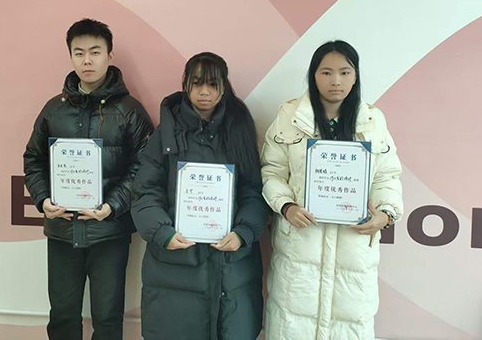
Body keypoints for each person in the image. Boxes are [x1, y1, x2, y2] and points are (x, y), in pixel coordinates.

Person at [261, 40, 403, 340]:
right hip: (300, 246)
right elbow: (272, 171)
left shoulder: (372, 121)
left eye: (344, 72)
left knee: (347, 326)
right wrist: (286, 206)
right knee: (292, 325)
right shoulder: (290, 116)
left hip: (353, 251)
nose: (335, 80)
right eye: (326, 72)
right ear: (313, 75)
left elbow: (387, 176)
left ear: (355, 76)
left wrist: (386, 214)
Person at [23, 18, 153, 340]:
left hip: (109, 232)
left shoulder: (130, 111)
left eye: (95, 52)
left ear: (110, 56)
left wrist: (112, 205)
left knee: (107, 319)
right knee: (62, 316)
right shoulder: (53, 110)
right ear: (70, 56)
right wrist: (43, 200)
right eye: (79, 53)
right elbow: (33, 159)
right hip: (62, 230)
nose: (87, 61)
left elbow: (145, 167)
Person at [131, 52, 269, 340]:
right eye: (197, 83)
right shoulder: (165, 133)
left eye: (213, 84)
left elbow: (253, 191)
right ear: (186, 85)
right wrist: (162, 232)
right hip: (176, 261)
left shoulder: (239, 129)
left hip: (230, 263)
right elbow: (145, 191)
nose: (204, 92)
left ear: (224, 87)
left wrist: (244, 232)